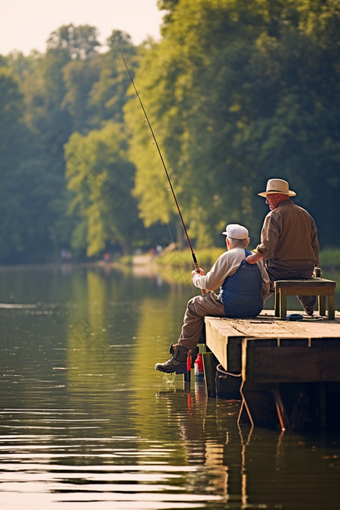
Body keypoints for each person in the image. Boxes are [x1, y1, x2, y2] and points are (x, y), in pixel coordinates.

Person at [155, 224, 270, 374]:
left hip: (230, 308)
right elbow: (267, 287)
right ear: (247, 242)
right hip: (255, 309)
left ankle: (181, 358)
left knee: (194, 305)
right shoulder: (258, 259)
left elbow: (209, 285)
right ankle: (186, 354)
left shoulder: (228, 256)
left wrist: (196, 278)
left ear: (228, 242)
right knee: (204, 303)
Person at [245, 178, 320, 315]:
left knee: (259, 271)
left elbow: (266, 248)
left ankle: (249, 304)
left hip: (280, 271)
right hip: (306, 271)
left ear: (278, 196)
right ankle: (309, 308)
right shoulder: (306, 214)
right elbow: (314, 245)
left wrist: (249, 259)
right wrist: (314, 264)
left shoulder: (273, 216)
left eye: (268, 198)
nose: (266, 201)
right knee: (299, 268)